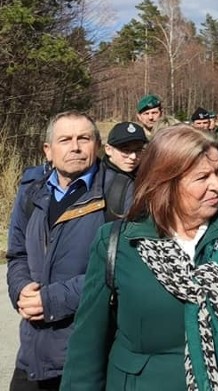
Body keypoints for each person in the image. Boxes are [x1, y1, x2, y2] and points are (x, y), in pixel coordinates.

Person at [60, 125, 218, 391]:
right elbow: (87, 344)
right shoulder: (117, 242)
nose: (217, 185)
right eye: (202, 177)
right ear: (165, 182)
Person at [6, 112, 132, 390]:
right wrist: (21, 289)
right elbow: (16, 254)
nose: (75, 147)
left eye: (83, 139)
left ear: (97, 146)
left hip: (89, 358)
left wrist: (52, 300)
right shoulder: (32, 191)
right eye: (65, 140)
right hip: (32, 355)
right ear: (48, 151)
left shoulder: (121, 194)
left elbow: (124, 268)